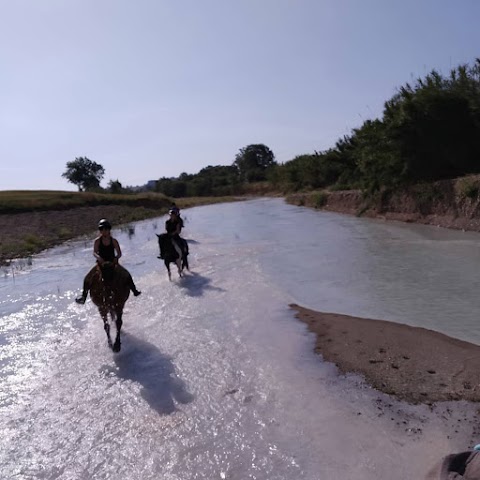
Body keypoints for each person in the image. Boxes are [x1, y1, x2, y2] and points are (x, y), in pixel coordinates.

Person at [75, 219, 141, 304]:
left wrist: (116, 257)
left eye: (106, 229)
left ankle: (134, 290)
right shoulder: (97, 241)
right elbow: (94, 252)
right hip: (101, 264)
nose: (104, 231)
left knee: (126, 274)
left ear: (109, 230)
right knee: (87, 278)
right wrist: (99, 258)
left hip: (112, 264)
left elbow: (119, 253)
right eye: (102, 229)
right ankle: (83, 297)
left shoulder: (114, 241)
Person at [165, 207, 184, 272]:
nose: (171, 216)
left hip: (175, 236)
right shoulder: (167, 222)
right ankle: (163, 255)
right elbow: (166, 229)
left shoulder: (177, 222)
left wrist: (173, 234)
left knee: (181, 243)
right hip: (169, 237)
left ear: (175, 215)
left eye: (173, 215)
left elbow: (178, 231)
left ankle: (184, 253)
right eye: (171, 215)